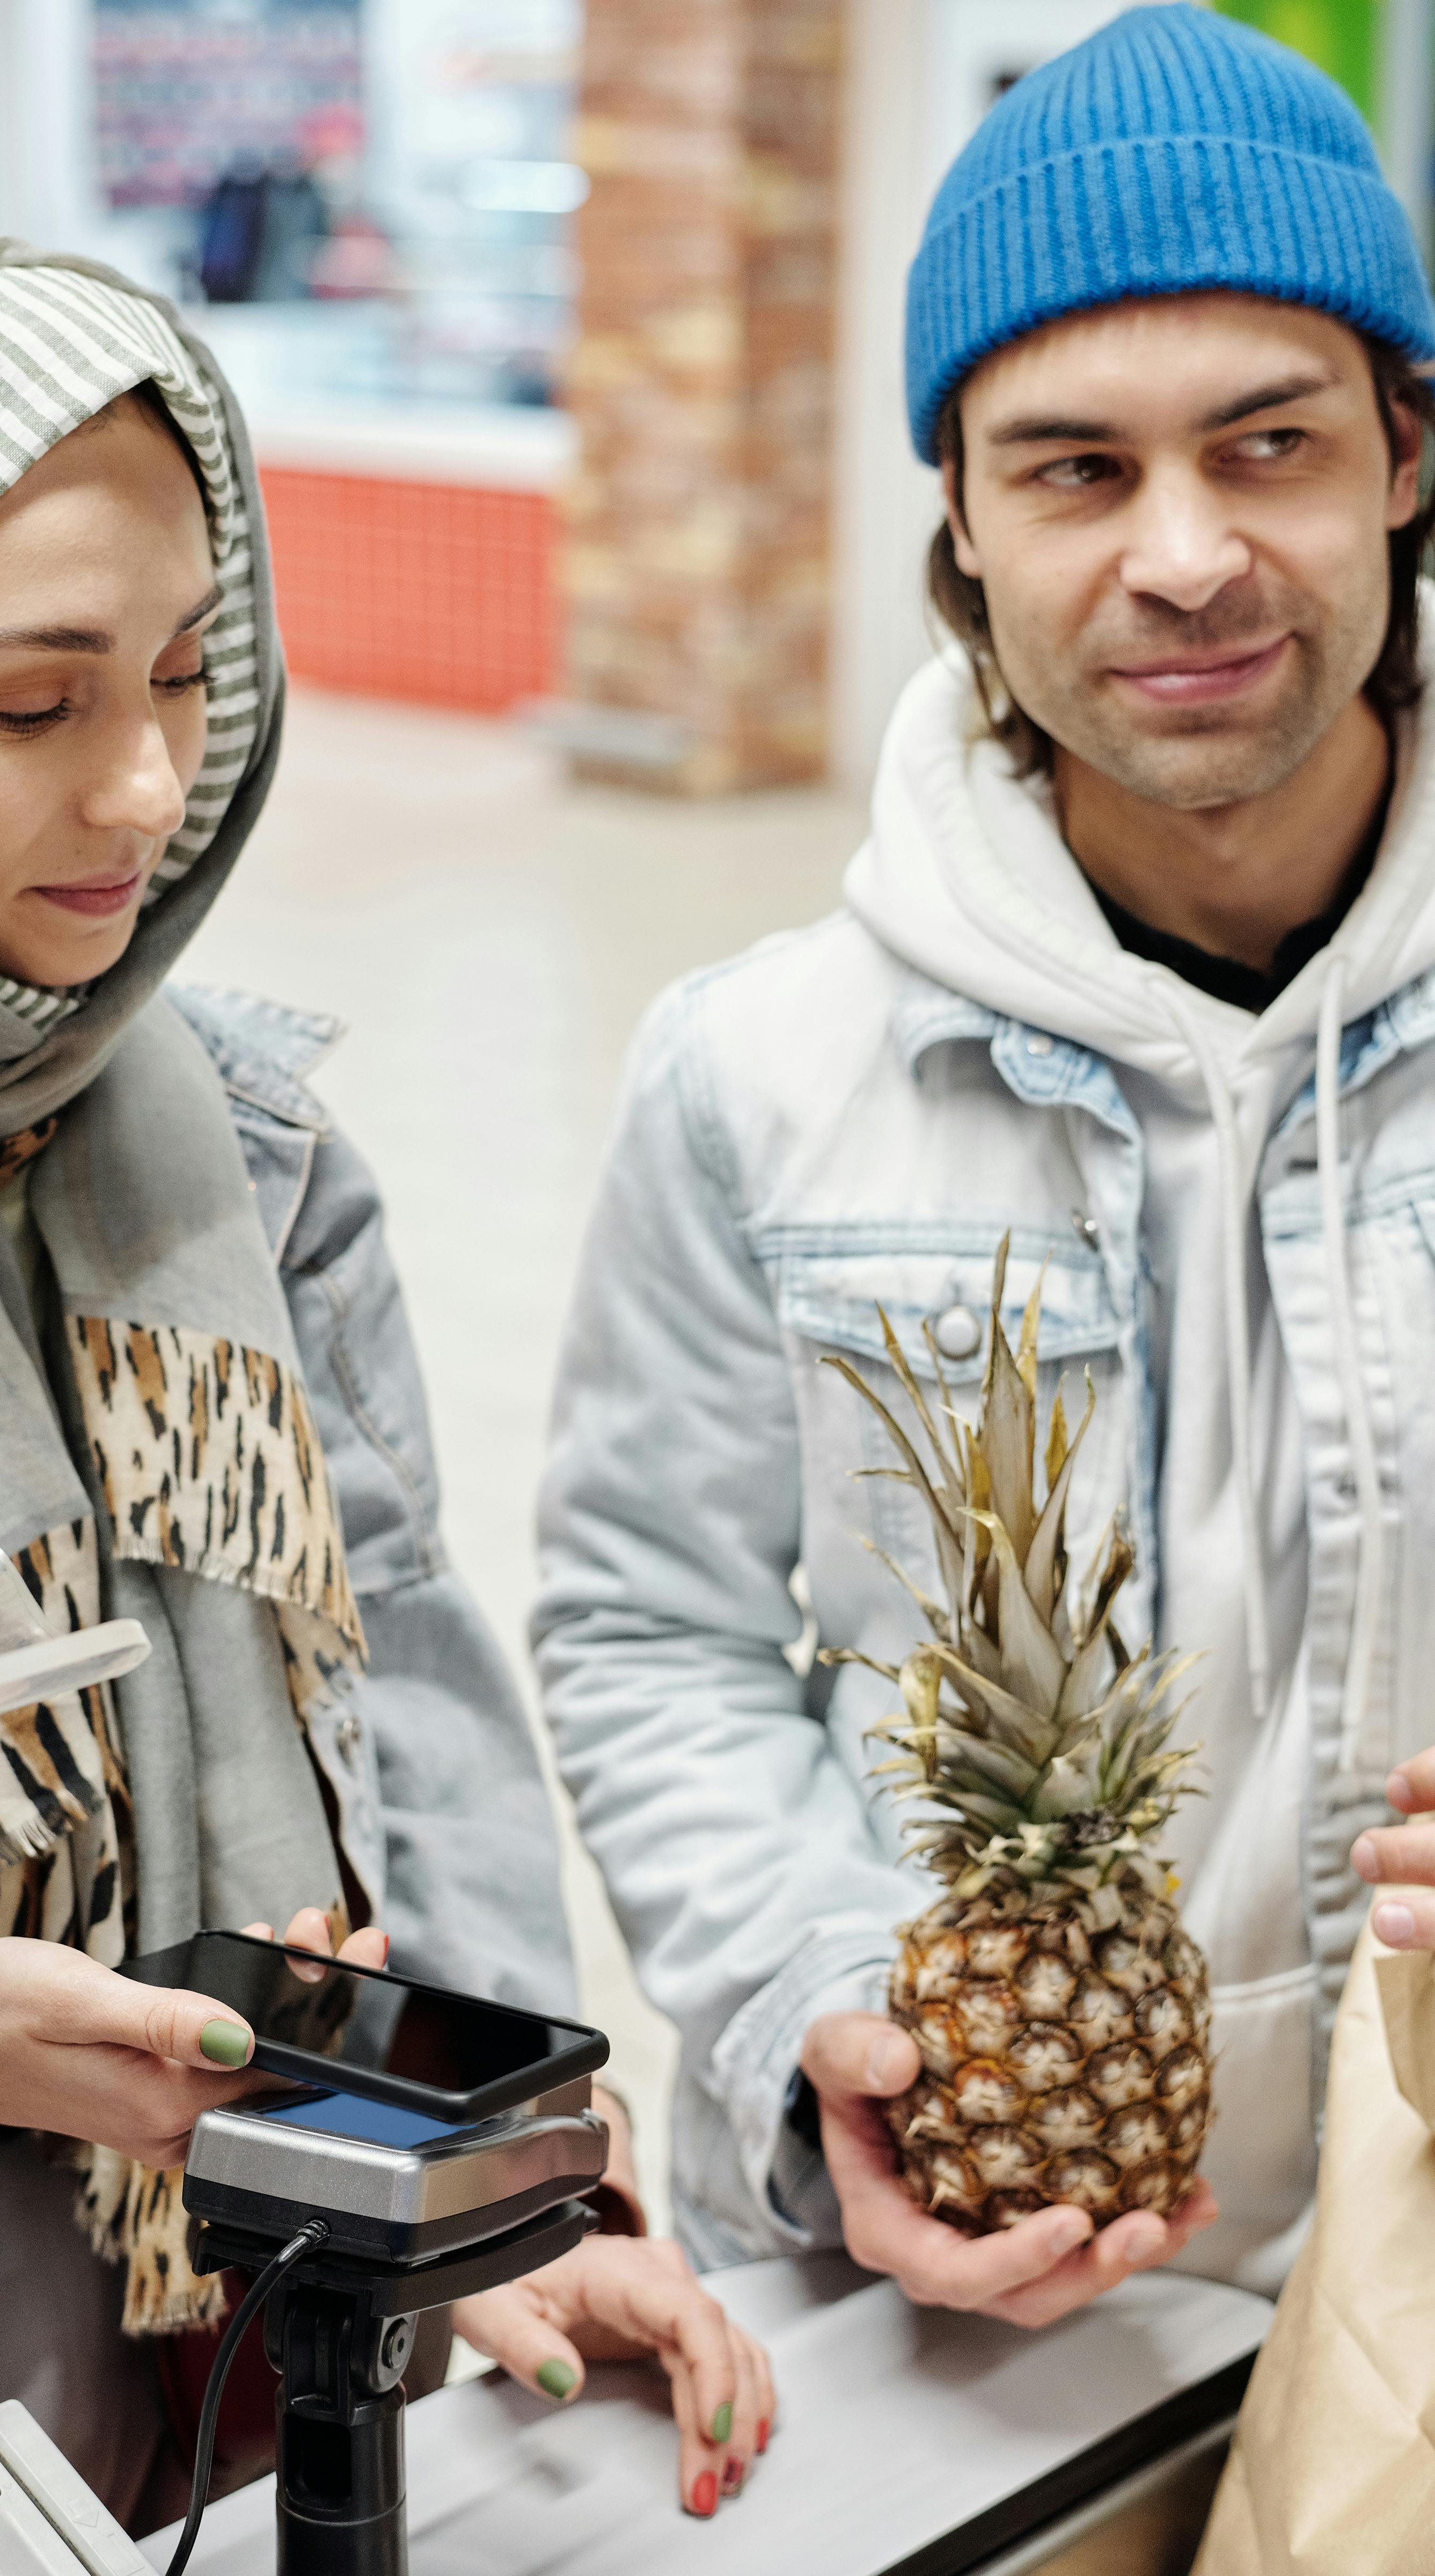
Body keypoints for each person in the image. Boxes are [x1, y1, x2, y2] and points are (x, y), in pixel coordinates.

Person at [0, 235, 769, 2526]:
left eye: (193, 674)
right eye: (29, 705)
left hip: (259, 2384)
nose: (146, 792)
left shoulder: (238, 1146)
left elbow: (404, 1677)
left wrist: (514, 2188)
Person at [535, 1, 1435, 2327]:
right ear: (953, 511)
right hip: (958, 2310)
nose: (1187, 556)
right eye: (1069, 468)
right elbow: (651, 1625)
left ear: (1405, 455)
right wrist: (806, 1995)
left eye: (1270, 445)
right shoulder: (758, 1066)